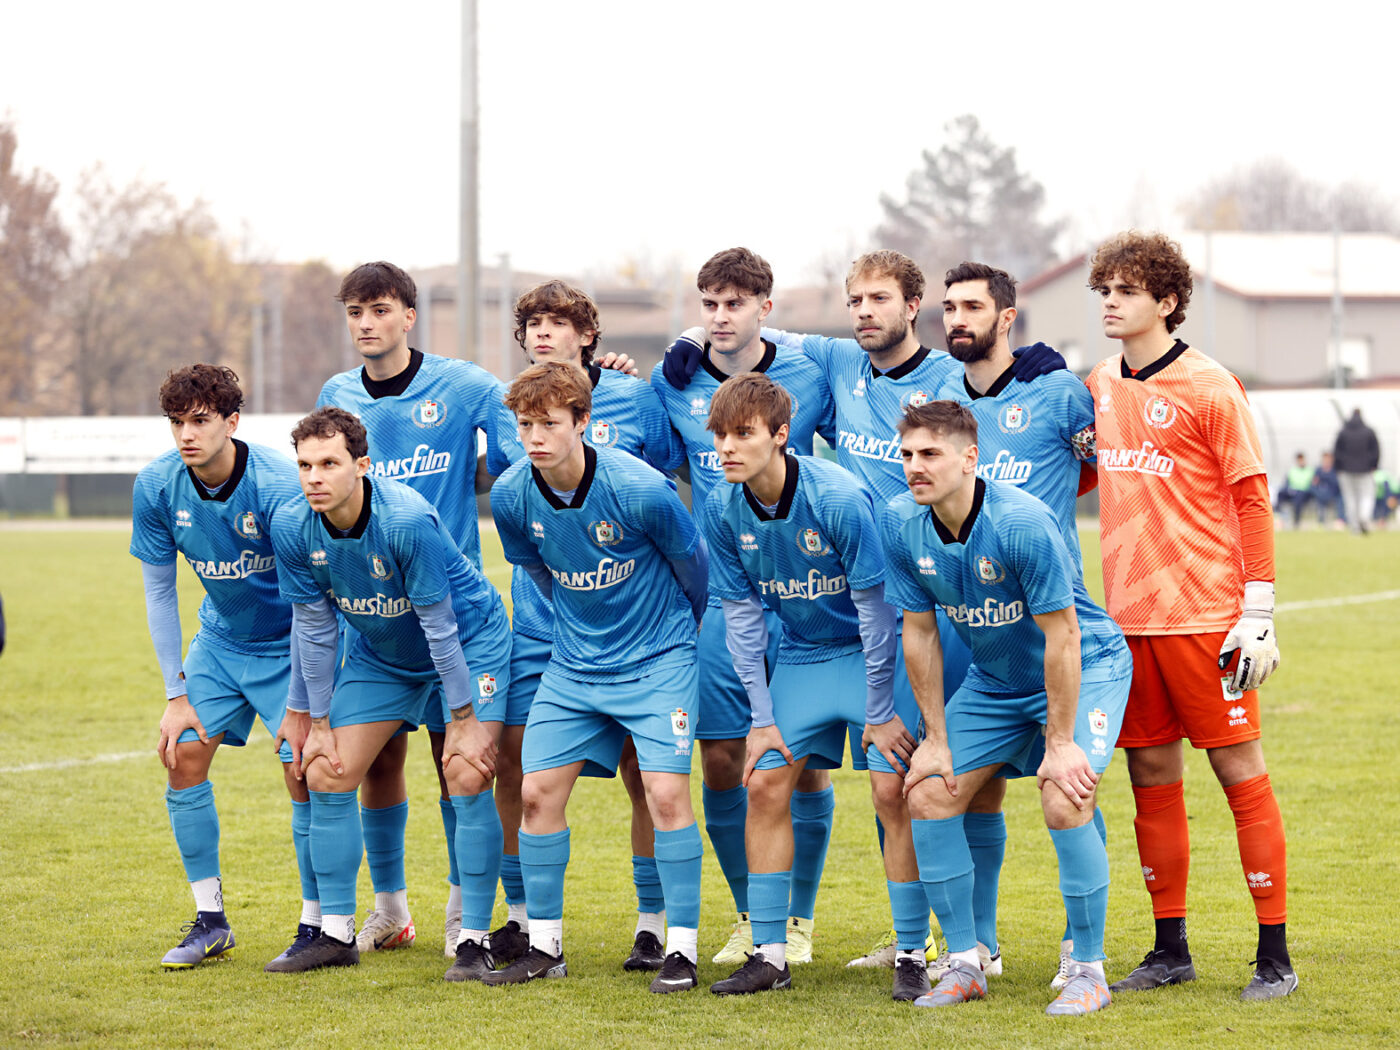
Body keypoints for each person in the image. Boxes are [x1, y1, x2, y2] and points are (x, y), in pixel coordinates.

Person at [669, 249, 1063, 968]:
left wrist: (1035, 357)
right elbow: (755, 334)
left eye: (878, 298)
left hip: (943, 595)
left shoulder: (952, 377)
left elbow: (1003, 394)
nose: (864, 312)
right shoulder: (836, 361)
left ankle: (973, 940)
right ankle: (849, 938)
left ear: (914, 306)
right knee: (872, 781)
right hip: (851, 593)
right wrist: (687, 342)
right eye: (855, 300)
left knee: (958, 784)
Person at [1086, 231, 1293, 1001]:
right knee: (1149, 777)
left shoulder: (1211, 387)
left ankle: (1275, 955)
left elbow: (1250, 497)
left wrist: (1259, 611)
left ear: (1166, 301)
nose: (1110, 302)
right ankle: (1169, 947)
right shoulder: (1102, 382)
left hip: (1207, 617)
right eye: (1103, 290)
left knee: (1239, 773)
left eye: (1126, 291)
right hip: (1130, 621)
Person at [883, 399, 1131, 1016]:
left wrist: (1061, 741)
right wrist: (935, 738)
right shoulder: (899, 523)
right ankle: (966, 962)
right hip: (995, 682)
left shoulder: (1021, 523)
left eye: (930, 454)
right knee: (928, 790)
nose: (915, 466)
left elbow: (1064, 637)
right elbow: (918, 632)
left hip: (1086, 666)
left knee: (1063, 792)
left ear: (971, 459)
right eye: (907, 454)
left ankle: (1088, 968)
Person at [700, 374, 930, 1001]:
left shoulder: (837, 495)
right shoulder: (723, 507)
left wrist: (881, 711)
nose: (726, 447)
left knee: (891, 789)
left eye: (742, 434)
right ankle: (770, 954)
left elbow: (879, 614)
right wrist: (760, 715)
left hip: (867, 657)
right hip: (801, 657)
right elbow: (744, 621)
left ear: (781, 436)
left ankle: (913, 951)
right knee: (766, 780)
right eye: (719, 434)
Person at [266, 407, 512, 977]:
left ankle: (470, 931)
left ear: (362, 465)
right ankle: (334, 934)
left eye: (329, 463)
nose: (314, 478)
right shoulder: (290, 525)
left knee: (466, 771)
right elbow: (314, 627)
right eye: (304, 465)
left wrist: (465, 718)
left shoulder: (404, 520)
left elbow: (441, 626)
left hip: (468, 645)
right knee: (324, 768)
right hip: (383, 657)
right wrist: (312, 717)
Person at [487, 362, 709, 992]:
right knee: (535, 795)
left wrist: (667, 638)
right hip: (575, 666)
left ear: (584, 423)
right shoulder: (509, 495)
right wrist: (580, 631)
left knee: (666, 796)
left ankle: (682, 950)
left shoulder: (640, 489)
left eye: (550, 424)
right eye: (525, 424)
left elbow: (694, 569)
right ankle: (545, 946)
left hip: (659, 658)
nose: (535, 436)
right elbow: (537, 572)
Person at [649, 248, 838, 968]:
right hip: (721, 599)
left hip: (802, 597)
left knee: (803, 762)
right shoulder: (677, 384)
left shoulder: (808, 374)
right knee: (723, 756)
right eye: (709, 304)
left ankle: (796, 920)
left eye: (735, 303)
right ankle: (748, 913)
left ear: (766, 306)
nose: (721, 317)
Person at [318, 261, 508, 958]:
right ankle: (390, 910)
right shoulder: (338, 394)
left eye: (378, 310)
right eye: (355, 313)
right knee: (374, 763)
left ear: (408, 316)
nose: (366, 324)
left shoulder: (464, 386)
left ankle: (464, 912)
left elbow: (528, 438)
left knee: (454, 761)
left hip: (449, 614)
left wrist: (594, 369)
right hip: (371, 621)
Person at [934, 261, 1104, 989]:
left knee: (1068, 785)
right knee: (956, 787)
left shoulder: (1061, 393)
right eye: (948, 307)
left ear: (1009, 317)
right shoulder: (937, 397)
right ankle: (976, 949)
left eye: (973, 306)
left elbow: (1105, 466)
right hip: (979, 632)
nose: (956, 318)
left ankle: (1081, 949)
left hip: (1058, 629)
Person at [130, 364, 317, 970]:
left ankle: (318, 924)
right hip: (220, 645)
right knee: (181, 753)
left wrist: (300, 702)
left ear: (232, 422)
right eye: (177, 422)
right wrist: (173, 693)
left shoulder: (279, 486)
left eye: (201, 421)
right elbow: (161, 594)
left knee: (304, 773)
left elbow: (311, 603)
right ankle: (211, 921)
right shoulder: (156, 485)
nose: (187, 434)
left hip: (288, 645)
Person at [1334, 408, 1381, 534]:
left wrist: (1338, 467)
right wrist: (1374, 465)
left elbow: (1337, 451)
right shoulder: (1369, 432)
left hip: (1345, 471)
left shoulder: (1343, 432)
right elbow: (1376, 451)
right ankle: (1364, 517)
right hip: (1365, 470)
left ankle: (1355, 527)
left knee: (1350, 498)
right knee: (1367, 496)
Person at [1273, 453, 1315, 529]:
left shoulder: (1310, 471)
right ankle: (1278, 515)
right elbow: (1287, 483)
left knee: (1298, 499)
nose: (1300, 461)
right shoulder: (1292, 470)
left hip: (1304, 492)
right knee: (1280, 493)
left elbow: (1312, 485)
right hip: (1293, 491)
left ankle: (1296, 521)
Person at [1311, 452, 1343, 528]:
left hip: (1334, 493)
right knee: (1319, 499)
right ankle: (1321, 521)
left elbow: (1338, 483)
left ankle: (1340, 520)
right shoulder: (1318, 470)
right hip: (1322, 494)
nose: (1326, 461)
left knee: (1341, 499)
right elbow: (1314, 484)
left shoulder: (1335, 470)